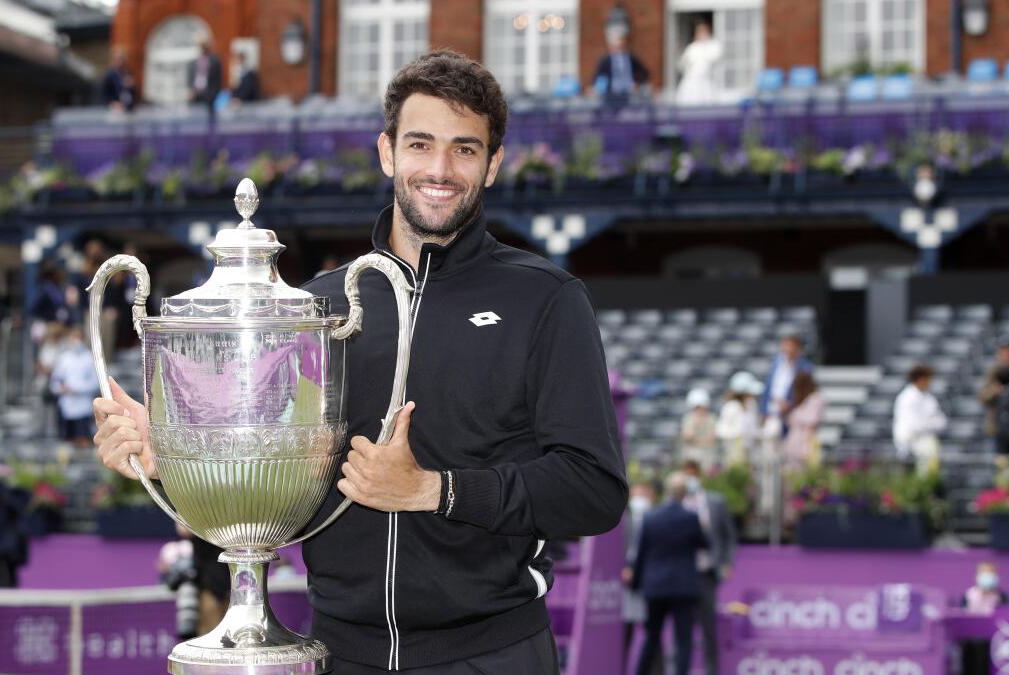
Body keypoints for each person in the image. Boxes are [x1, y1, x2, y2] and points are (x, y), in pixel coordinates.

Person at [93, 49, 627, 673]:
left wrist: (433, 490)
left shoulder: (545, 299)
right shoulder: (317, 307)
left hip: (493, 654)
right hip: (341, 655)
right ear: (387, 152)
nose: (440, 169)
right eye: (421, 144)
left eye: (465, 149)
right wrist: (170, 461)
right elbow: (280, 488)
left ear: (493, 166)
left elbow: (594, 489)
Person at [630, 472, 707, 675]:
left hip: (655, 586)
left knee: (651, 636)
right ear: (684, 493)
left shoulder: (651, 517)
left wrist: (636, 584)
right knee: (684, 640)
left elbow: (641, 553)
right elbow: (705, 544)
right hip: (683, 587)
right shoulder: (691, 518)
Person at [680, 460, 736, 675]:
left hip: (707, 573)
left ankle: (711, 671)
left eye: (693, 474)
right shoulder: (676, 503)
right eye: (687, 475)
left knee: (708, 627)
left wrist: (726, 562)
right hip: (683, 573)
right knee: (682, 628)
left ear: (700, 475)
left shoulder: (715, 502)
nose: (690, 479)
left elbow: (729, 536)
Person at [51, 326, 99, 450]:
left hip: (83, 407)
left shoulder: (89, 358)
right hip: (67, 406)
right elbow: (54, 383)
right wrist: (61, 389)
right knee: (66, 442)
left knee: (83, 440)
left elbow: (95, 383)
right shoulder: (63, 358)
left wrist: (76, 389)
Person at [623, 480, 656, 661]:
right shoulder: (621, 521)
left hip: (650, 584)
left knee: (653, 634)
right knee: (624, 633)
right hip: (626, 585)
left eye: (644, 494)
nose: (640, 499)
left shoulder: (658, 520)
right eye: (637, 494)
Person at [893, 364, 947, 474]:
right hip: (909, 446)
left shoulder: (929, 397)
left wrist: (929, 424)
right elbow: (914, 425)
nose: (929, 382)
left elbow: (942, 422)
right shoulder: (907, 398)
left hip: (925, 443)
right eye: (928, 379)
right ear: (920, 379)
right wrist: (931, 424)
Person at [960, 561, 1009, 675]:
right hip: (972, 642)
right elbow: (964, 618)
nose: (988, 577)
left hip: (995, 640)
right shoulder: (968, 595)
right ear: (977, 576)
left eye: (991, 574)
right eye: (984, 574)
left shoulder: (1002, 597)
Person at [760, 333, 815, 419]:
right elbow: (768, 388)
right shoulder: (776, 363)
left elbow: (805, 391)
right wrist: (763, 410)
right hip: (772, 411)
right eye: (786, 345)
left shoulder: (805, 367)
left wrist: (790, 404)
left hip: (791, 414)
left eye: (791, 346)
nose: (788, 349)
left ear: (798, 348)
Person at [592, 24, 648, 105]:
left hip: (629, 93)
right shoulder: (606, 60)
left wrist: (637, 82)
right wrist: (595, 88)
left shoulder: (631, 58)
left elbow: (644, 73)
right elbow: (597, 76)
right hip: (611, 94)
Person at [716, 371, 762, 467]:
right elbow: (721, 430)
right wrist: (736, 434)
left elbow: (755, 426)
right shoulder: (730, 407)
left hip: (751, 449)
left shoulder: (752, 404)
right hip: (734, 451)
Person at [782, 371, 824, 469]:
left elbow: (811, 426)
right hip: (793, 444)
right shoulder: (801, 402)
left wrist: (807, 448)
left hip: (804, 444)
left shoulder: (815, 399)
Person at [676, 21, 723, 106]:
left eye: (704, 32)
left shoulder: (713, 45)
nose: (702, 35)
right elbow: (683, 63)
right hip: (692, 80)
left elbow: (715, 57)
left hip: (706, 81)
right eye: (700, 32)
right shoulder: (692, 47)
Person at [678, 388, 717, 471]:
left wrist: (698, 440)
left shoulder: (711, 419)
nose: (700, 410)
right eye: (697, 407)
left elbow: (712, 438)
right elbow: (688, 436)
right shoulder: (689, 419)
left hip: (707, 456)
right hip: (692, 456)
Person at [189, 39, 223, 115]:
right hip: (196, 94)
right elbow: (192, 76)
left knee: (210, 117)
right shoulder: (195, 61)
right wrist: (191, 90)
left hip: (209, 95)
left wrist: (213, 94)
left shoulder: (215, 60)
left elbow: (218, 80)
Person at [101, 46, 135, 111]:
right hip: (114, 109)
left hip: (127, 108)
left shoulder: (128, 73)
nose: (120, 61)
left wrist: (131, 86)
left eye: (122, 58)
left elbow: (132, 94)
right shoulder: (109, 76)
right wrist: (113, 103)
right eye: (118, 59)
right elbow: (104, 96)